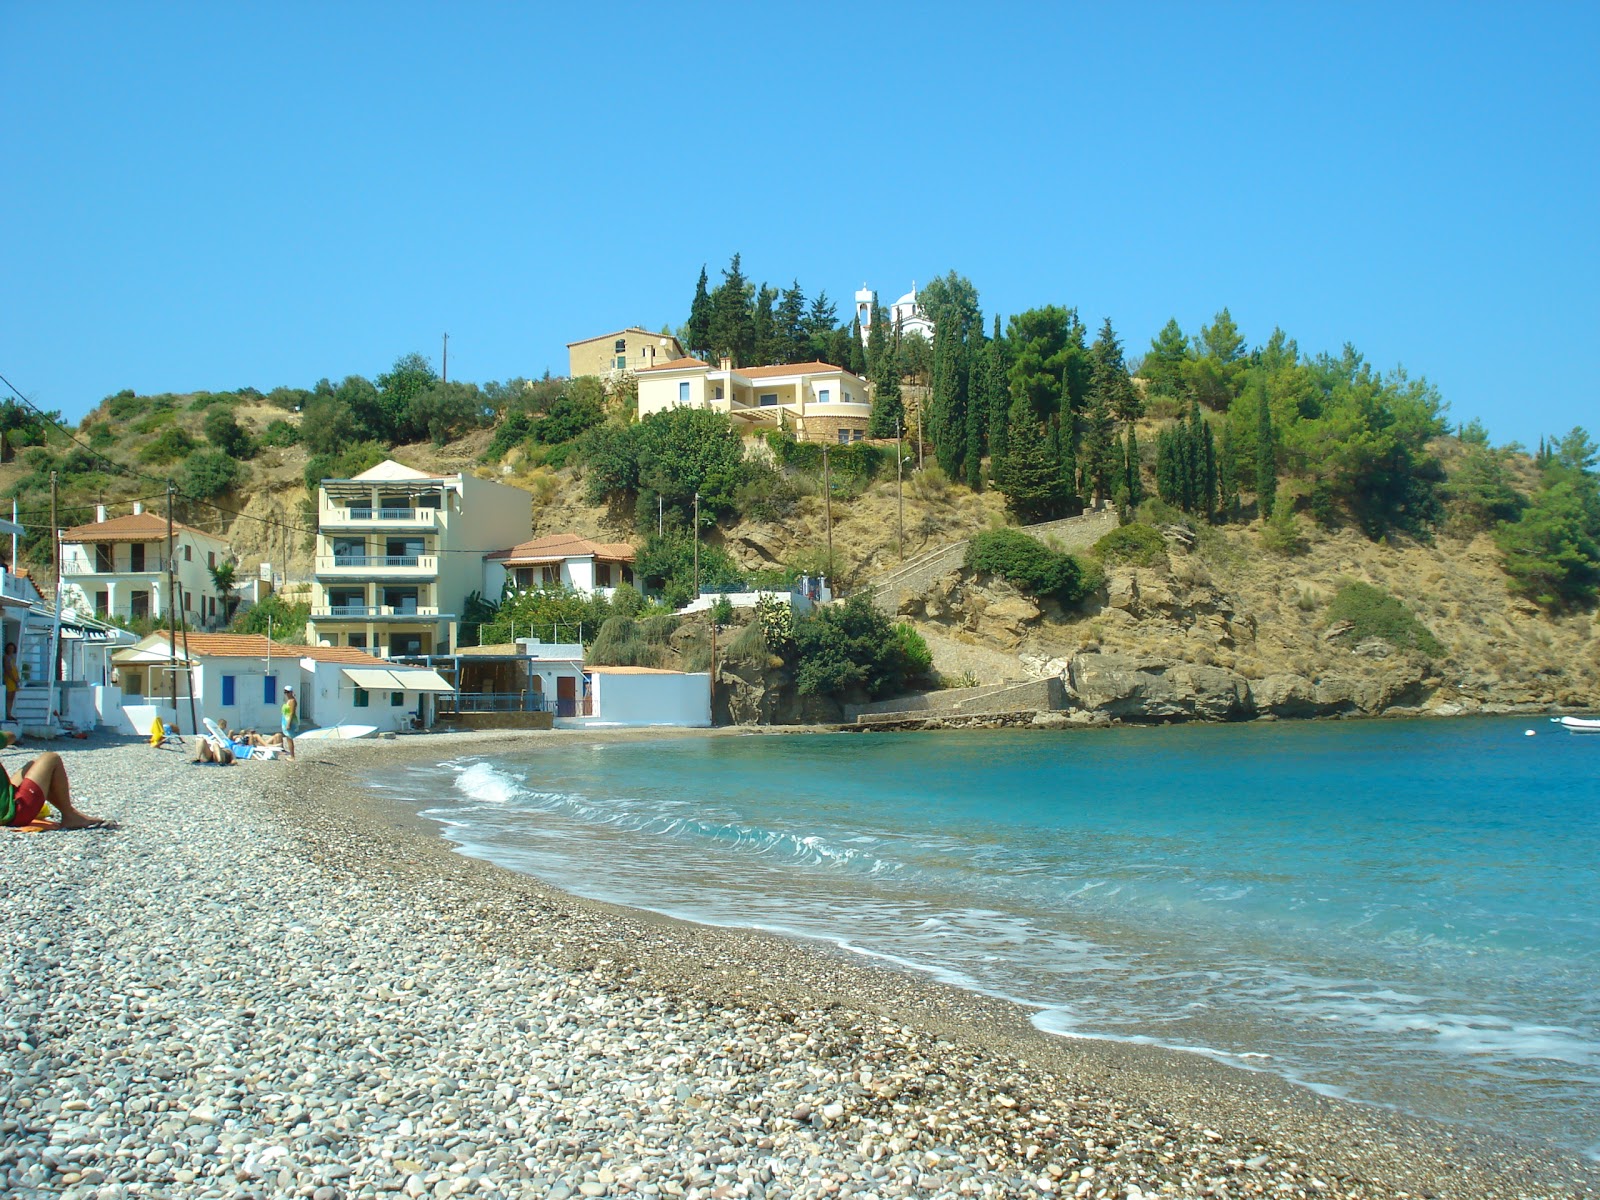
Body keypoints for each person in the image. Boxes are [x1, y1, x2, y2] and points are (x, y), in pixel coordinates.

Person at [2, 737, 108, 831]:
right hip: (16, 813)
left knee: (32, 765)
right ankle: (69, 815)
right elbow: (11, 736)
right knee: (51, 758)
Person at [281, 685, 297, 759]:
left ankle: (292, 756)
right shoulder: (288, 700)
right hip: (286, 720)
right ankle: (291, 755)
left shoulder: (292, 701)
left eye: (287, 692)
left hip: (289, 720)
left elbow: (292, 713)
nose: (286, 694)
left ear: (291, 692)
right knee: (288, 738)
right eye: (285, 692)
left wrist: (288, 723)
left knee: (289, 738)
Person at [4, 642, 18, 722]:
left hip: (14, 679)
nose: (11, 650)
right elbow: (8, 670)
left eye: (12, 648)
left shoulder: (12, 658)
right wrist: (13, 679)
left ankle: (10, 713)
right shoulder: (6, 657)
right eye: (9, 648)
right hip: (10, 679)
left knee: (12, 697)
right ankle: (8, 714)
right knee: (9, 697)